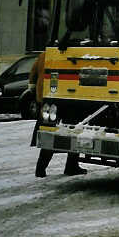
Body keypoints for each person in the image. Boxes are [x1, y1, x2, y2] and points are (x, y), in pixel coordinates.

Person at [30, 49, 85, 177]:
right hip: (64, 96)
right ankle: (71, 166)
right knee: (72, 130)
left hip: (46, 98)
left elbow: (33, 74)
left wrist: (34, 91)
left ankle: (41, 168)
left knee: (51, 131)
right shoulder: (71, 55)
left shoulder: (43, 55)